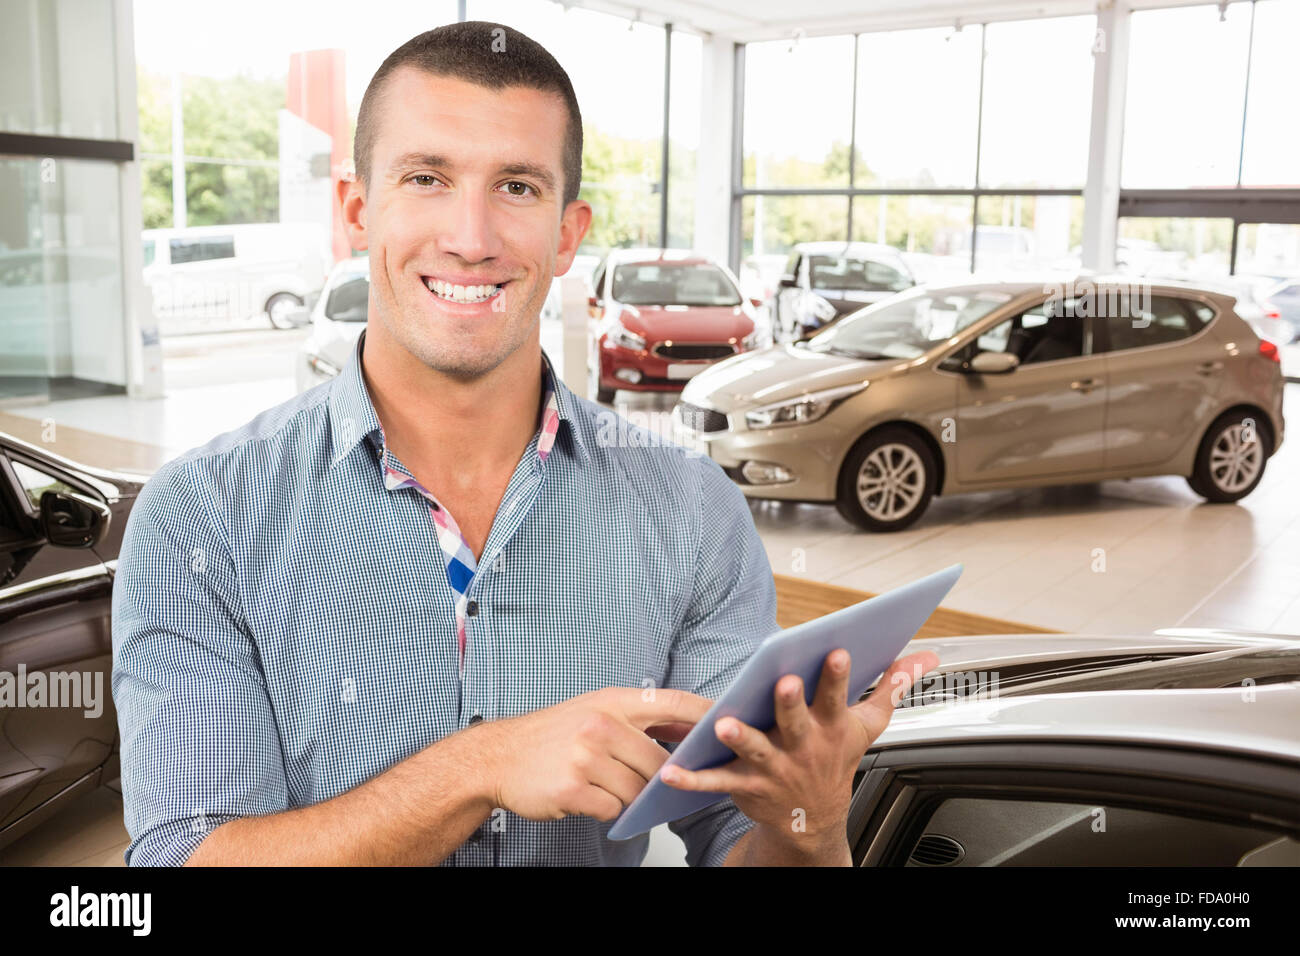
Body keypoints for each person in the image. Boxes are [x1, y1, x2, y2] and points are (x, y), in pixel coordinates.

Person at [110, 20, 938, 867]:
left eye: (516, 187)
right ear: (358, 211)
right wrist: (478, 769)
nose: (471, 237)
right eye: (427, 177)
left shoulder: (692, 511)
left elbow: (736, 839)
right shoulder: (201, 518)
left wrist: (812, 821)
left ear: (568, 234)